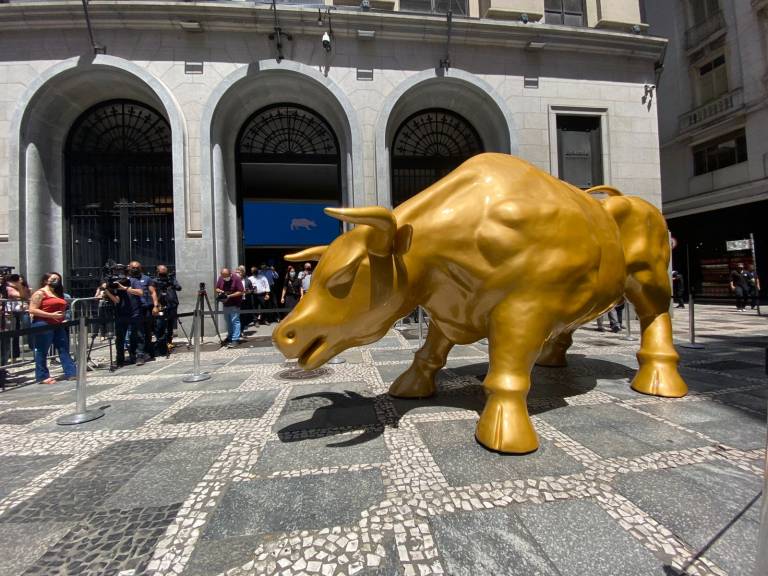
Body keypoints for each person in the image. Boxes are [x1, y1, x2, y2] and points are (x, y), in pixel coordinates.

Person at [28, 272, 76, 384]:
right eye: (53, 279)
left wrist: (61, 317)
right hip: (43, 323)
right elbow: (32, 309)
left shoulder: (57, 293)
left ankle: (71, 372)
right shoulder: (40, 293)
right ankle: (42, 376)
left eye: (58, 279)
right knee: (42, 350)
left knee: (63, 348)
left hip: (58, 324)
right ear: (46, 280)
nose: (56, 281)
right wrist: (51, 315)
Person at [127, 261, 160, 360]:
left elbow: (153, 292)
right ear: (129, 268)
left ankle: (147, 352)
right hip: (133, 309)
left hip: (146, 308)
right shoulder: (127, 280)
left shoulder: (146, 278)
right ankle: (134, 353)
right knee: (135, 332)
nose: (135, 269)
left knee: (147, 331)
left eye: (137, 267)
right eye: (133, 267)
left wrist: (156, 306)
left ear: (141, 268)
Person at [153, 265, 182, 357]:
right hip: (161, 305)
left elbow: (179, 288)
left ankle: (169, 341)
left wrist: (172, 281)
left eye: (165, 272)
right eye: (162, 273)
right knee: (159, 324)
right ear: (157, 272)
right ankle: (160, 343)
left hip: (172, 304)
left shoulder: (171, 279)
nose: (164, 275)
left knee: (170, 324)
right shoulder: (154, 281)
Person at [216, 267, 245, 348]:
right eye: (223, 276)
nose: (225, 278)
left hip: (235, 303)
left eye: (226, 276)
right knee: (228, 321)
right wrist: (220, 291)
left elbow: (241, 291)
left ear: (230, 273)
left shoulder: (236, 278)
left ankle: (235, 339)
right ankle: (230, 337)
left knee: (235, 320)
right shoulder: (221, 278)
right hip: (226, 304)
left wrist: (229, 296)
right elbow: (217, 288)